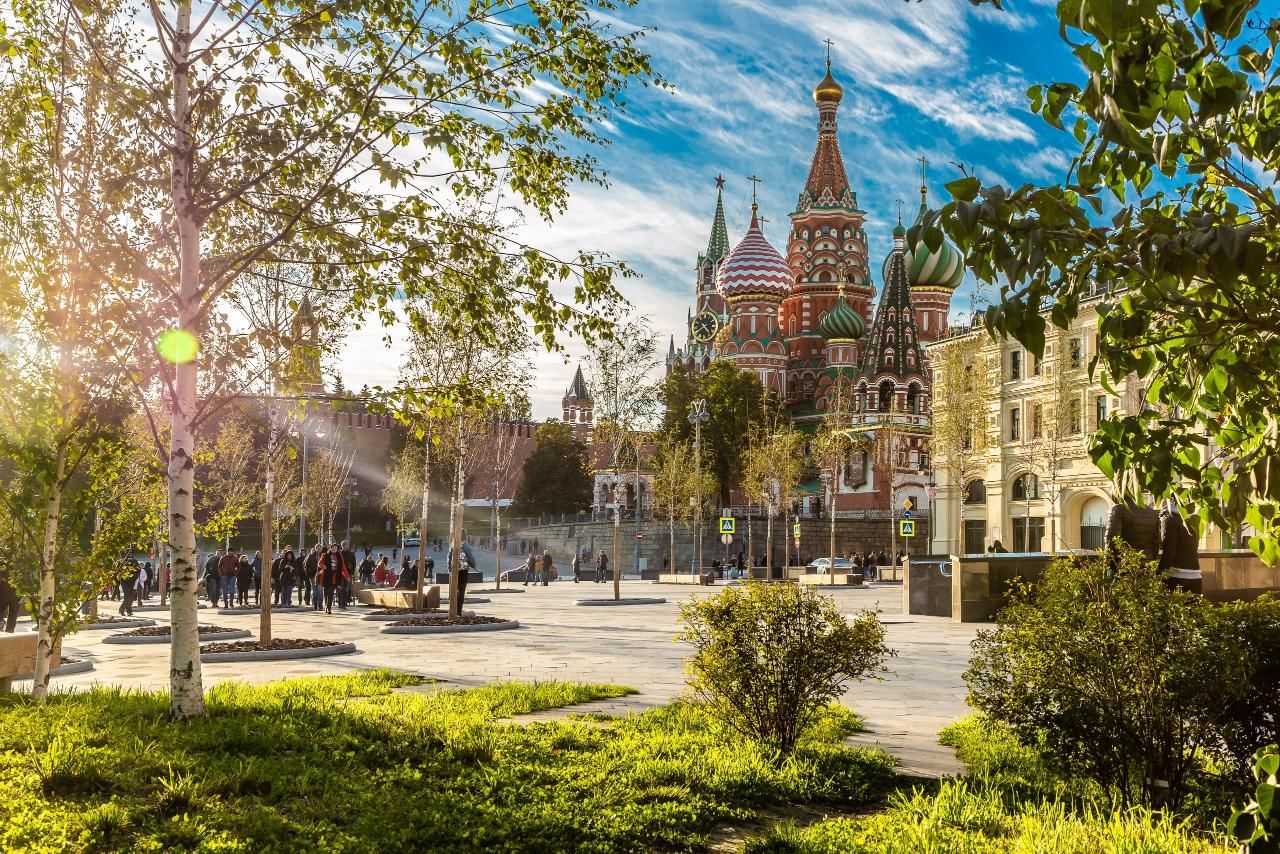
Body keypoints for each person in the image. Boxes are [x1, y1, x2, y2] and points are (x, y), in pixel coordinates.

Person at [447, 531, 478, 609]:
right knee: (461, 590)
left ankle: (453, 608)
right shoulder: (464, 544)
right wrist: (474, 565)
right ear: (465, 536)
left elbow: (449, 556)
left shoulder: (453, 544)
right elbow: (469, 556)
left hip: (454, 570)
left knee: (455, 589)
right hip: (463, 570)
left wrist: (449, 568)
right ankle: (459, 610)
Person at [320, 544, 349, 614]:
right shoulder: (325, 555)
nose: (334, 549)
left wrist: (347, 576)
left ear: (337, 549)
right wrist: (323, 566)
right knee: (326, 593)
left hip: (335, 577)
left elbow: (343, 567)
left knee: (331, 593)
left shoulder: (339, 556)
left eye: (336, 548)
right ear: (331, 548)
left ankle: (328, 608)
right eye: (333, 548)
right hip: (326, 577)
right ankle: (327, 606)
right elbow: (320, 563)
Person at [0, 564, 21, 633]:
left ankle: (9, 631)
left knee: (14, 610)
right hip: (4, 586)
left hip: (15, 587)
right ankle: (5, 629)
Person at [339, 540, 358, 609]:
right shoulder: (339, 553)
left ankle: (344, 602)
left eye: (348, 545)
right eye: (347, 545)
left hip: (348, 573)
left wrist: (352, 572)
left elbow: (354, 564)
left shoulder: (351, 554)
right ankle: (340, 603)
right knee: (340, 589)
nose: (348, 546)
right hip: (340, 574)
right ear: (343, 546)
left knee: (346, 589)